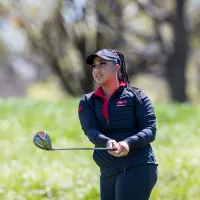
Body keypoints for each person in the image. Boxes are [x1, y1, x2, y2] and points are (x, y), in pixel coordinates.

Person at [78, 49, 158, 200]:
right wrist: (106, 141)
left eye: (103, 64)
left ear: (116, 67)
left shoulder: (137, 96)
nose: (97, 69)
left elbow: (150, 130)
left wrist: (128, 144)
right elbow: (91, 130)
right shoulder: (87, 101)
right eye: (94, 66)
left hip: (137, 165)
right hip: (108, 168)